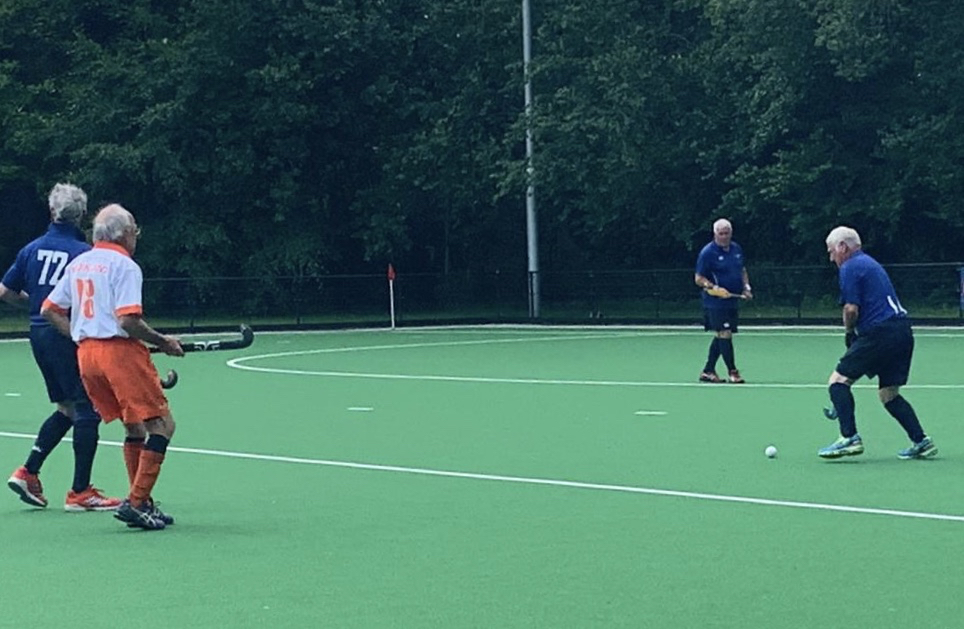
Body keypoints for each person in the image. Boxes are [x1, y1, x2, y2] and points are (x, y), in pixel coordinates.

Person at [41, 203, 185, 530]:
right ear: (122, 233)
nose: (136, 234)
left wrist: (80, 336)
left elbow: (50, 309)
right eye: (134, 228)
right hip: (119, 353)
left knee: (133, 425)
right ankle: (136, 503)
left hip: (87, 357)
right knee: (162, 424)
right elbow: (128, 320)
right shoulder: (125, 265)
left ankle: (142, 500)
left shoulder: (80, 263)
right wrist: (163, 342)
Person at [1, 183, 122, 511]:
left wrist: (33, 305)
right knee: (88, 409)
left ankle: (28, 472)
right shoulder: (85, 254)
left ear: (51, 212)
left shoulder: (31, 249)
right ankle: (80, 492)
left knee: (67, 409)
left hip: (39, 334)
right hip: (67, 333)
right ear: (82, 216)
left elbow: (5, 291)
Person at [817, 226, 937, 459]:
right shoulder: (869, 263)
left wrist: (850, 332)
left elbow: (851, 308)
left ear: (843, 247)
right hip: (902, 331)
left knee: (838, 381)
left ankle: (849, 437)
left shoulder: (850, 266)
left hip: (881, 332)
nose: (831, 257)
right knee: (889, 394)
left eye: (832, 251)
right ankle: (921, 440)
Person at [694, 218, 752, 383]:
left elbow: (742, 270)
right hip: (715, 302)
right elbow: (698, 278)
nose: (724, 237)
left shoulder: (736, 249)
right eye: (721, 234)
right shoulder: (707, 253)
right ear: (715, 234)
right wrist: (712, 287)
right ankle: (733, 372)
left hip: (732, 300)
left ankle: (708, 370)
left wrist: (746, 288)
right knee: (725, 334)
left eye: (727, 233)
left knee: (722, 335)